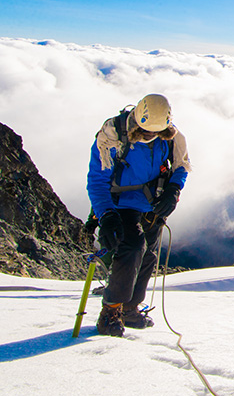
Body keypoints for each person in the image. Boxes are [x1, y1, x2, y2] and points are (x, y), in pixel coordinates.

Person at [87, 94, 191, 336]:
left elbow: (181, 166)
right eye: (145, 132)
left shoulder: (172, 137)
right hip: (120, 205)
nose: (148, 136)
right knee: (132, 247)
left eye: (153, 133)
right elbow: (97, 180)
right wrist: (106, 216)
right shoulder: (112, 135)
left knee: (148, 256)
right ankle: (111, 312)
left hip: (151, 203)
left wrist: (173, 191)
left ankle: (130, 309)